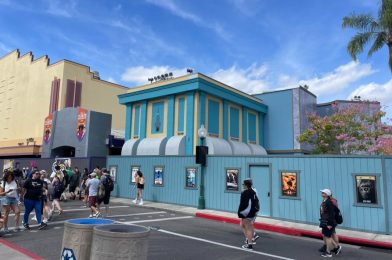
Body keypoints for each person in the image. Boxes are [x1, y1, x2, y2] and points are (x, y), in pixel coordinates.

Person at [238, 179, 260, 250]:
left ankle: (249, 244)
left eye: (243, 184)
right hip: (252, 212)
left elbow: (243, 204)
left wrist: (240, 213)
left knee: (248, 228)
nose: (242, 186)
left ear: (246, 185)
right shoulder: (253, 191)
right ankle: (250, 240)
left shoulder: (245, 193)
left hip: (246, 213)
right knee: (246, 226)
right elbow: (256, 201)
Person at [319, 189, 341, 257]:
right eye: (322, 192)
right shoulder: (325, 201)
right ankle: (336, 248)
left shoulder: (328, 202)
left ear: (326, 194)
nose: (322, 193)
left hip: (328, 222)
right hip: (325, 221)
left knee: (328, 237)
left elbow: (331, 214)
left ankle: (329, 252)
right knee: (327, 236)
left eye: (323, 192)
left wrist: (329, 224)